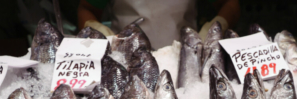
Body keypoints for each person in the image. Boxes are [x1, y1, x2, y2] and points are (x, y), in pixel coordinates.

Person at [77, 0, 240, 49]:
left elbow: (230, 4)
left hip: (185, 55)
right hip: (125, 55)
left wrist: (217, 26)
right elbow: (85, 8)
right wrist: (96, 30)